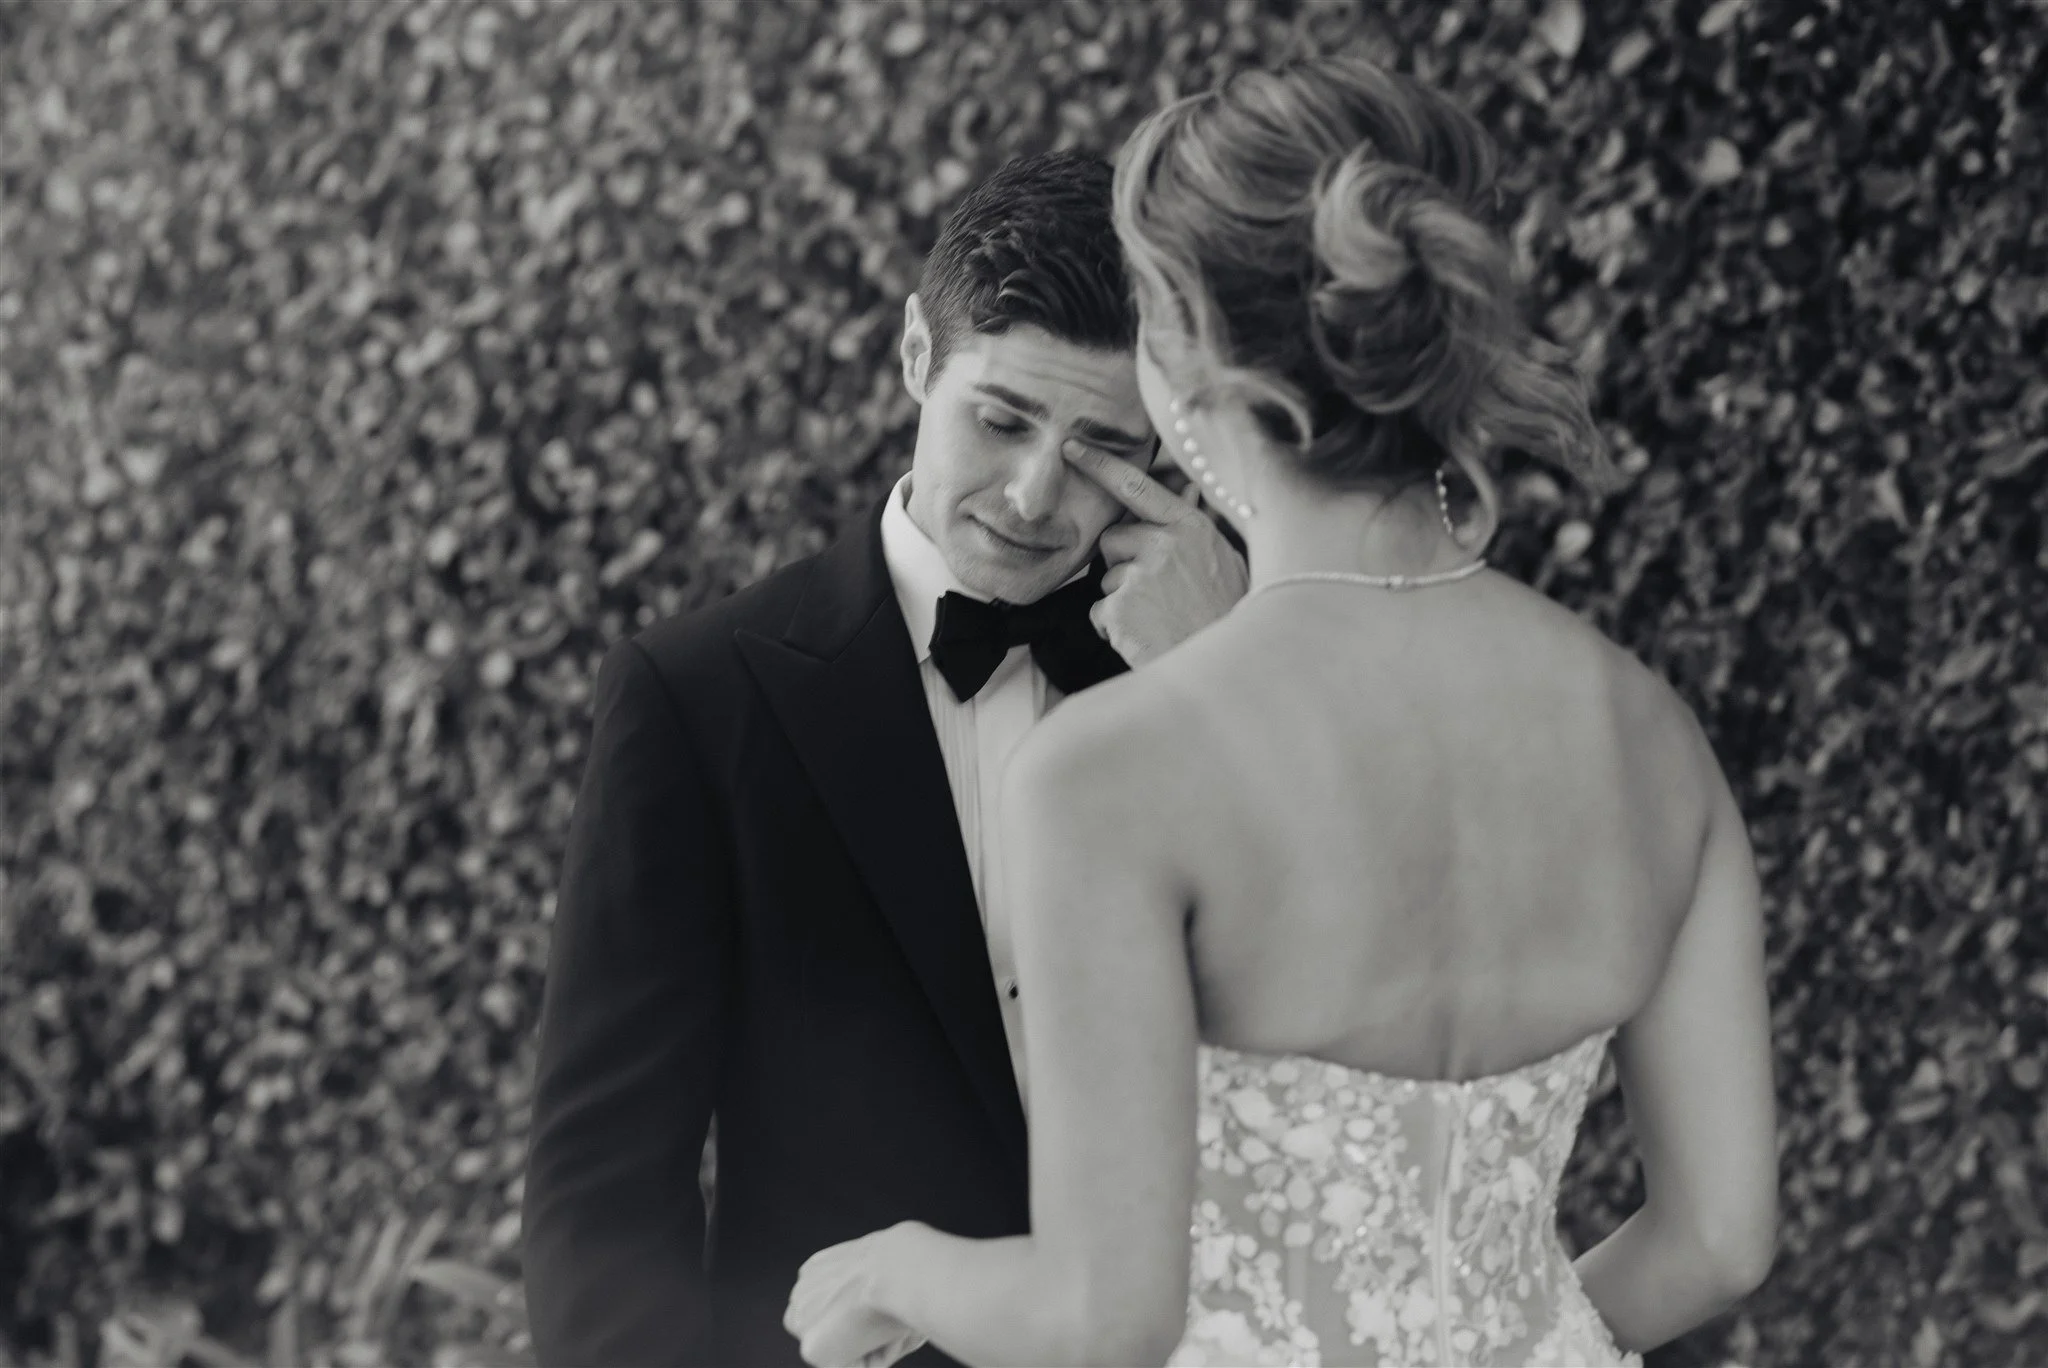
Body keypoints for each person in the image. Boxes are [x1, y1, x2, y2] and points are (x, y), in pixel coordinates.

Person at [784, 55, 1779, 1368]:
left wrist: (898, 1270)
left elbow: (1101, 1316)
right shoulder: (1651, 735)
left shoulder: (1109, 771)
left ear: (1187, 355)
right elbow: (1717, 1239)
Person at [520, 150, 1248, 1367]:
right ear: (916, 353)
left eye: (1097, 450)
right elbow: (599, 1190)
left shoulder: (1214, 657)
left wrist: (1230, 680)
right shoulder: (695, 698)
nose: (1034, 495)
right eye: (1001, 421)